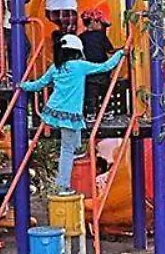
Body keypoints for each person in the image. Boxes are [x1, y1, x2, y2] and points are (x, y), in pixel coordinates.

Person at [20, 34, 125, 192]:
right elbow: (105, 67)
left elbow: (39, 84)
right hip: (70, 114)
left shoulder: (56, 67)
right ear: (77, 51)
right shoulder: (80, 66)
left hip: (54, 110)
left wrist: (22, 85)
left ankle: (73, 158)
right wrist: (120, 53)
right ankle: (63, 185)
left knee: (73, 145)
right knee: (67, 149)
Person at [80, 9, 116, 116]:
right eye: (99, 21)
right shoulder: (101, 36)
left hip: (89, 69)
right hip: (103, 67)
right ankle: (107, 111)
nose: (101, 24)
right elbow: (109, 50)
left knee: (91, 92)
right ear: (92, 22)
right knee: (106, 91)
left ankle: (90, 113)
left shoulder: (82, 37)